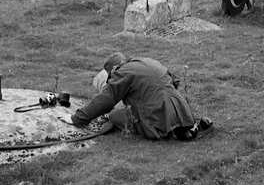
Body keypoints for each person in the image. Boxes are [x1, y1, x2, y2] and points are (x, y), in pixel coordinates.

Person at [70, 53, 213, 141]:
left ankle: (165, 128)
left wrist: (80, 118)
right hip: (182, 110)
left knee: (114, 116)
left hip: (155, 118)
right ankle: (186, 127)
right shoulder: (147, 61)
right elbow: (175, 81)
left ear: (114, 69)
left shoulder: (122, 72)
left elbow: (106, 100)